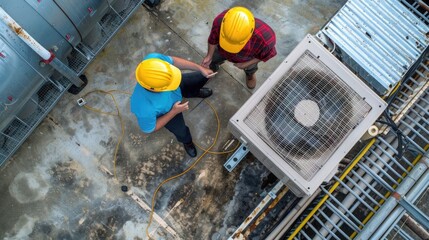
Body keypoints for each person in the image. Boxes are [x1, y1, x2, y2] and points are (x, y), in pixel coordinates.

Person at [131, 52, 214, 157]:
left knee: (202, 76)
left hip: (178, 90)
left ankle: (193, 92)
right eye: (169, 84)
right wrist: (174, 111)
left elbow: (174, 61)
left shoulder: (152, 62)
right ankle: (187, 142)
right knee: (181, 131)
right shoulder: (143, 107)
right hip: (168, 110)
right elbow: (151, 128)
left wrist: (200, 68)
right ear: (156, 89)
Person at [202, 6, 277, 89]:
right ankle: (212, 70)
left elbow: (266, 55)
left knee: (250, 68)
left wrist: (246, 64)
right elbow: (212, 39)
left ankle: (250, 76)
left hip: (247, 58)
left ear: (251, 32)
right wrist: (209, 55)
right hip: (221, 50)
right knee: (213, 60)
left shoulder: (266, 39)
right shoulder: (222, 20)